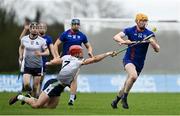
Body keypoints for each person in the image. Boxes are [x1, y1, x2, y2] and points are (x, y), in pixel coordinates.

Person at [9, 45, 115, 109]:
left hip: (60, 87)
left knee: (49, 107)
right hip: (54, 84)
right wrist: (108, 53)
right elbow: (95, 59)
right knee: (37, 105)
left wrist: (50, 62)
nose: (82, 53)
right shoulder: (77, 61)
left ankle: (30, 98)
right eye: (80, 52)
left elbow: (57, 61)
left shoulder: (66, 57)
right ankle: (20, 97)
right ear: (76, 53)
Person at [111, 13, 160, 109]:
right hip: (129, 59)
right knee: (133, 76)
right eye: (142, 21)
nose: (143, 23)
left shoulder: (149, 34)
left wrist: (153, 43)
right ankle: (124, 98)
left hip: (140, 63)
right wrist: (124, 41)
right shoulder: (129, 30)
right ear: (137, 21)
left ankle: (115, 101)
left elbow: (157, 49)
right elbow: (116, 37)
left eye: (145, 21)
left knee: (126, 84)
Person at [54, 18, 94, 105]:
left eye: (77, 24)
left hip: (76, 59)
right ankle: (71, 90)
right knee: (64, 79)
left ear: (79, 25)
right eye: (74, 24)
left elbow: (89, 46)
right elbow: (56, 45)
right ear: (71, 25)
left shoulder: (82, 35)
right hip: (66, 59)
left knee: (74, 78)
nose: (76, 25)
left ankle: (71, 99)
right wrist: (57, 56)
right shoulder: (65, 34)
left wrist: (90, 51)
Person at [19, 22, 50, 99]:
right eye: (33, 28)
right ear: (30, 29)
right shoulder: (24, 39)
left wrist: (40, 53)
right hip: (27, 66)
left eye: (36, 28)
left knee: (35, 87)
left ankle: (32, 100)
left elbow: (47, 52)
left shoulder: (42, 40)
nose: (35, 30)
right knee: (26, 84)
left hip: (38, 66)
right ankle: (29, 93)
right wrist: (21, 55)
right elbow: (21, 47)